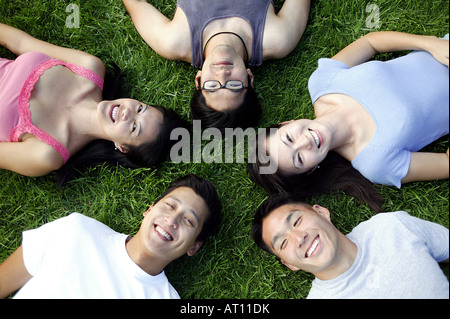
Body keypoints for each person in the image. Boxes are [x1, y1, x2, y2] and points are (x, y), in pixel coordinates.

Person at [247, 31, 449, 212]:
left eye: (289, 138)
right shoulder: (375, 162)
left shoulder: (322, 82)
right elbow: (446, 164)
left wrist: (430, 43)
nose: (304, 142)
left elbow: (371, 43)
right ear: (310, 170)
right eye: (299, 158)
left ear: (286, 123)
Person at [0, 22, 187, 183]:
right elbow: (20, 42)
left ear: (122, 147)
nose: (128, 113)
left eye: (134, 127)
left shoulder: (48, 154)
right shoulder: (90, 67)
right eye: (140, 108)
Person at [0, 174, 222, 299]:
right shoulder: (77, 230)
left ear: (194, 247)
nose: (172, 220)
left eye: (188, 221)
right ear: (149, 209)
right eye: (170, 206)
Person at [122, 0, 311, 130]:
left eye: (212, 87)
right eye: (234, 86)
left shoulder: (174, 41)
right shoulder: (277, 38)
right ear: (250, 78)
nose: (222, 75)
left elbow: (135, 3)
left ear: (199, 80)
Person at [252, 192, 449, 299]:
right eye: (284, 242)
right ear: (289, 264)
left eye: (296, 221)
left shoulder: (392, 226)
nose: (299, 237)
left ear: (321, 212)